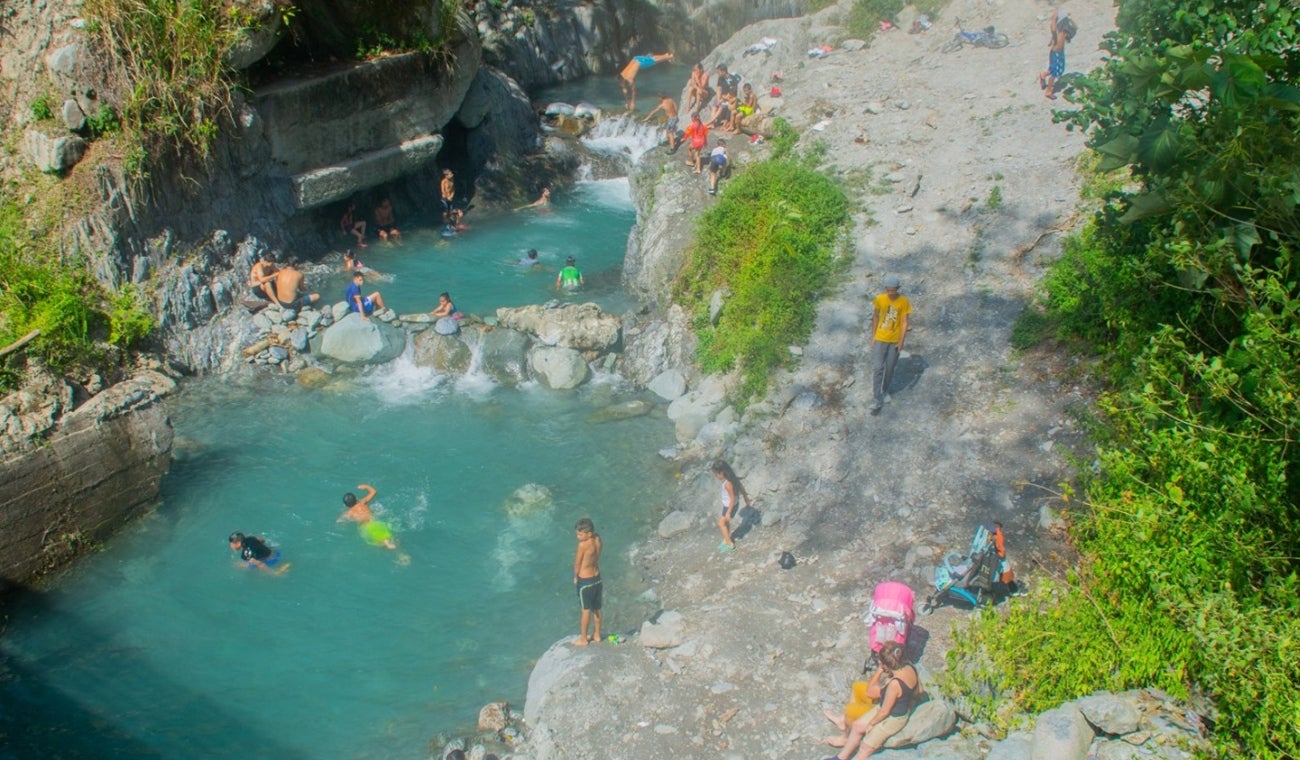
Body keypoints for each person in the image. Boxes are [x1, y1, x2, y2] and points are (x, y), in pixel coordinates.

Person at [822, 642, 922, 760]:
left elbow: (884, 711)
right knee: (857, 725)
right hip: (892, 708)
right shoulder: (909, 666)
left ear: (885, 665)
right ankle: (841, 757)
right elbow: (919, 690)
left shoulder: (894, 684)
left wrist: (871, 724)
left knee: (865, 747)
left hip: (894, 718)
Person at [868, 274, 911, 414]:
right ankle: (876, 398)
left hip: (894, 340)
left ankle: (885, 390)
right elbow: (875, 316)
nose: (891, 293)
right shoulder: (880, 299)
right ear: (885, 289)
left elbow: (905, 322)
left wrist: (901, 341)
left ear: (898, 289)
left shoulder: (903, 301)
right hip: (880, 338)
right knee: (877, 368)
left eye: (893, 290)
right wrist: (873, 337)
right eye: (889, 290)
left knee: (890, 368)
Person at [338, 484, 398, 551]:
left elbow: (339, 520)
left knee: (378, 542)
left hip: (365, 528)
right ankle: (389, 544)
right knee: (387, 538)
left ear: (346, 505)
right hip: (374, 522)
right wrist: (365, 486)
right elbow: (374, 492)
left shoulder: (349, 512)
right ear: (356, 498)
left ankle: (387, 545)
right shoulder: (362, 502)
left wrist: (343, 520)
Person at [572, 517, 603, 646]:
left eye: (580, 534)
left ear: (589, 534)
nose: (578, 537)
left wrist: (575, 576)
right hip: (597, 578)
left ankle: (583, 639)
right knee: (597, 608)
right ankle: (597, 635)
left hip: (585, 581)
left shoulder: (583, 545)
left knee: (585, 611)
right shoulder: (597, 539)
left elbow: (577, 563)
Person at [711, 459, 751, 551]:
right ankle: (726, 538)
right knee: (725, 523)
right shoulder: (733, 479)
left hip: (730, 506)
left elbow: (732, 499)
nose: (716, 476)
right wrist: (746, 497)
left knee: (721, 523)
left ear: (721, 473)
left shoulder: (727, 484)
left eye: (716, 474)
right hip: (730, 505)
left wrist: (728, 512)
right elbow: (741, 487)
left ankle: (730, 544)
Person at [1038, 8, 1074, 100]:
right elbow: (1053, 29)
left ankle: (1043, 75)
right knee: (1055, 72)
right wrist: (1053, 19)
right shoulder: (1057, 32)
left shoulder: (1065, 31)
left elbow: (1075, 28)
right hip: (1055, 53)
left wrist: (1070, 19)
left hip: (1060, 52)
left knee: (1058, 69)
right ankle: (1049, 91)